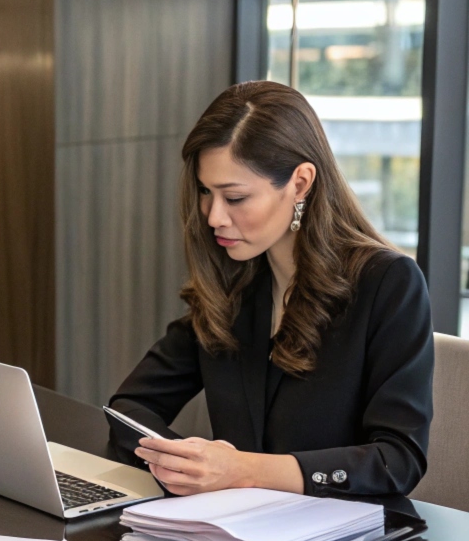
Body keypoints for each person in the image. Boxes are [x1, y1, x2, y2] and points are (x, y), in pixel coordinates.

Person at [108, 81, 433, 498]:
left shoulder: (389, 284)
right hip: (233, 533)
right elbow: (129, 408)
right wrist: (184, 466)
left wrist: (242, 470)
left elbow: (398, 461)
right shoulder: (234, 283)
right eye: (206, 192)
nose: (214, 217)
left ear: (300, 183)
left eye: (236, 197)